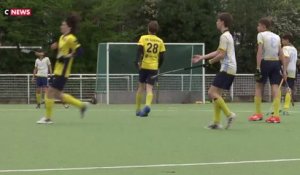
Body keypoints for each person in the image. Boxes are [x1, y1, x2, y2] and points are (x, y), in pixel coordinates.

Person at [37, 14, 87, 124]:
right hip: (57, 70)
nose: (61, 26)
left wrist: (68, 57)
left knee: (49, 92)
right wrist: (55, 47)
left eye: (63, 24)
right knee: (58, 95)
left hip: (63, 71)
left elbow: (80, 51)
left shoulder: (71, 38)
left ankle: (48, 118)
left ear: (69, 27)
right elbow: (62, 52)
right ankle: (81, 105)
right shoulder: (61, 37)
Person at [192, 12, 236, 129]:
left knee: (211, 93)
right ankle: (216, 122)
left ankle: (229, 114)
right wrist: (202, 57)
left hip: (226, 68)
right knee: (217, 94)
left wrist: (210, 63)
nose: (216, 22)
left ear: (222, 22)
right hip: (230, 68)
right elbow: (217, 52)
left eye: (217, 21)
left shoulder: (224, 36)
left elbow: (221, 55)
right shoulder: (227, 36)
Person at [248, 17, 287, 123]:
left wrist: (257, 66)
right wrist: (284, 70)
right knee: (275, 87)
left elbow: (260, 51)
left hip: (265, 62)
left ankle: (258, 114)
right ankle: (276, 116)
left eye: (258, 25)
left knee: (259, 86)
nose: (257, 27)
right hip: (276, 63)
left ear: (264, 26)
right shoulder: (277, 36)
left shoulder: (261, 35)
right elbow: (281, 53)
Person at [135, 20, 166, 117]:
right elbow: (162, 57)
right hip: (153, 67)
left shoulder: (143, 38)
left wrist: (137, 62)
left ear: (148, 29)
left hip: (144, 65)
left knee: (140, 87)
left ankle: (138, 109)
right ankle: (147, 105)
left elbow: (139, 51)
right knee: (149, 89)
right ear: (157, 30)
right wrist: (158, 66)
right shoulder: (160, 41)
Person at [281, 33, 298, 115]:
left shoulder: (285, 48)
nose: (282, 42)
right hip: (293, 70)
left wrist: (284, 70)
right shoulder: (294, 49)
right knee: (289, 88)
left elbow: (286, 58)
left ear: (287, 40)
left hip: (286, 69)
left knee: (279, 87)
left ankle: (276, 107)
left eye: (283, 40)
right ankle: (286, 109)